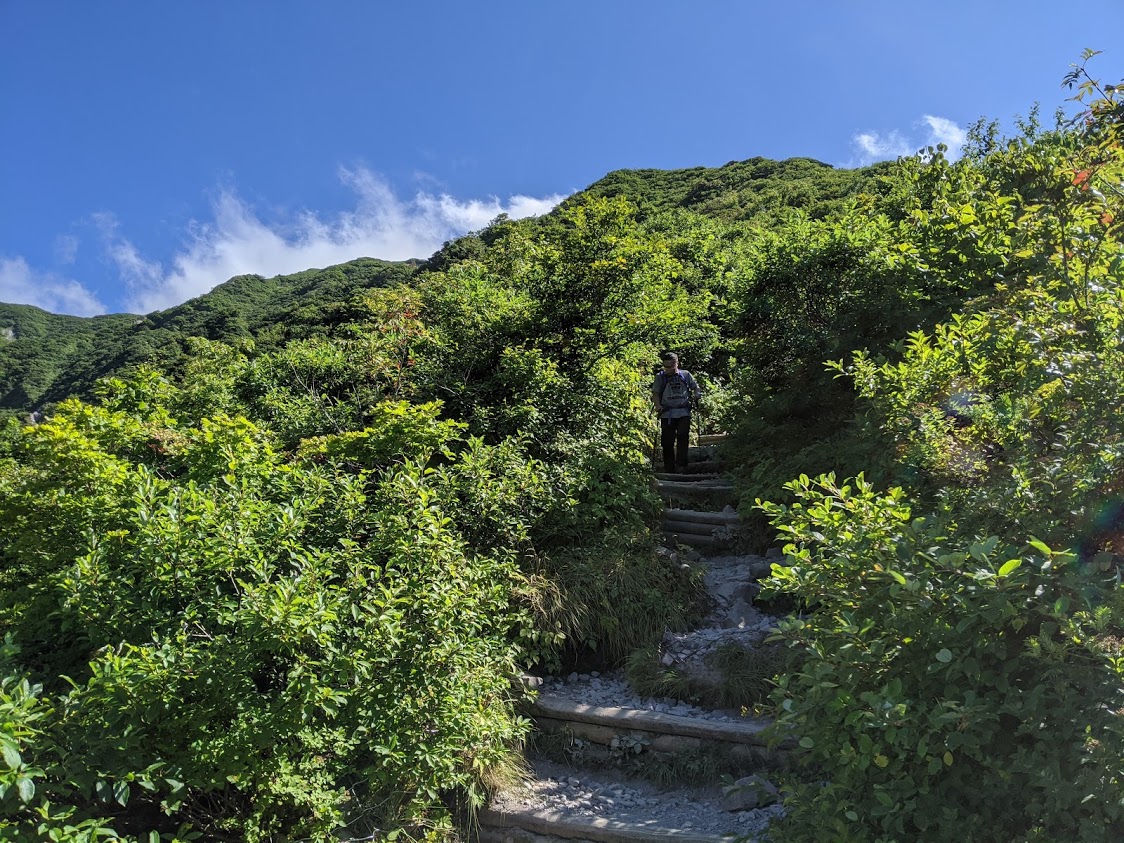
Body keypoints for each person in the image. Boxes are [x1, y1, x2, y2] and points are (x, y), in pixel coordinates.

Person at [651, 352, 701, 474]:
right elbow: (655, 393)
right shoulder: (660, 377)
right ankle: (669, 467)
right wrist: (658, 406)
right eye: (665, 367)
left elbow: (696, 387)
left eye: (670, 367)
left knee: (683, 437)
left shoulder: (685, 375)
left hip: (683, 411)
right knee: (667, 441)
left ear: (676, 364)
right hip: (667, 413)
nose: (667, 369)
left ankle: (682, 466)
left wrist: (697, 395)